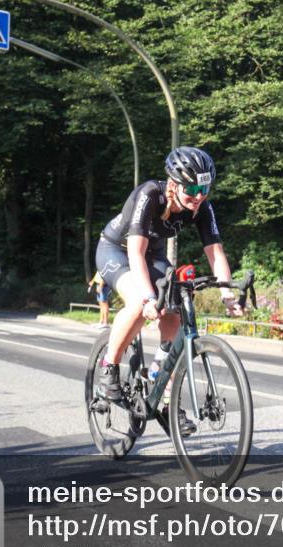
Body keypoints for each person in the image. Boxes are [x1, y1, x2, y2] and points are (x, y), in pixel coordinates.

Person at [94, 146, 243, 431]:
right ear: (173, 185)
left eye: (205, 189)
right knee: (139, 302)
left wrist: (227, 294)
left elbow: (216, 253)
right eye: (192, 190)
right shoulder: (150, 195)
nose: (198, 197)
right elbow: (136, 253)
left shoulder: (201, 207)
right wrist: (149, 298)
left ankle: (160, 391)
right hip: (118, 251)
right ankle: (109, 368)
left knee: (175, 309)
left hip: (153, 256)